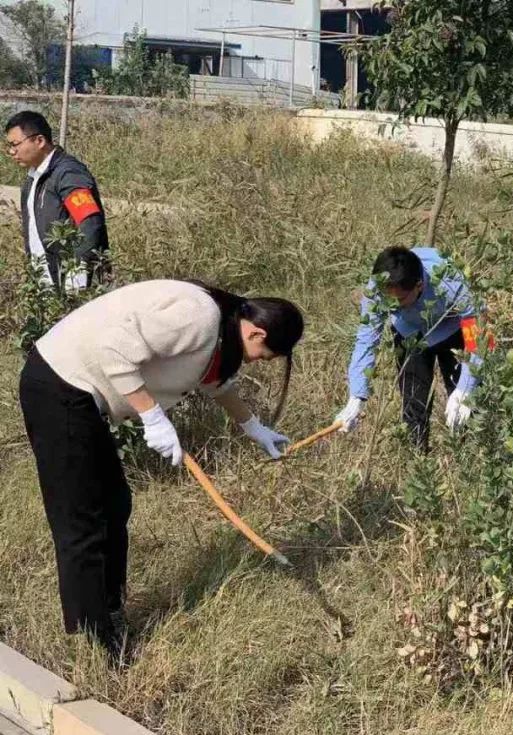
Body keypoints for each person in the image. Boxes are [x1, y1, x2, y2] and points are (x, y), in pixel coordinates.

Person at [19, 279, 304, 659]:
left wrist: (252, 426)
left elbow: (216, 381)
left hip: (83, 397)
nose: (257, 361)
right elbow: (112, 351)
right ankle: (95, 638)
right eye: (263, 354)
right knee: (82, 519)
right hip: (59, 385)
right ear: (257, 332)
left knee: (115, 504)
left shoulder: (219, 330)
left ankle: (111, 609)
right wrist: (152, 416)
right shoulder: (199, 317)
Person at [335, 246, 486, 450]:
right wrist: (356, 396)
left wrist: (465, 388)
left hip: (452, 329)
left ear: (419, 286)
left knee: (467, 407)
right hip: (409, 333)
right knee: (414, 404)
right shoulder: (377, 288)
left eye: (399, 300)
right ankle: (417, 459)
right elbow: (366, 340)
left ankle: (471, 457)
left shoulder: (450, 280)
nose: (392, 305)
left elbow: (480, 334)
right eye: (388, 299)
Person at [6, 110, 110, 291]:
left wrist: (77, 277)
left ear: (39, 141)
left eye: (16, 144)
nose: (11, 151)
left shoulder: (68, 174)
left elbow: (89, 223)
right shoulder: (33, 178)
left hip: (73, 284)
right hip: (46, 283)